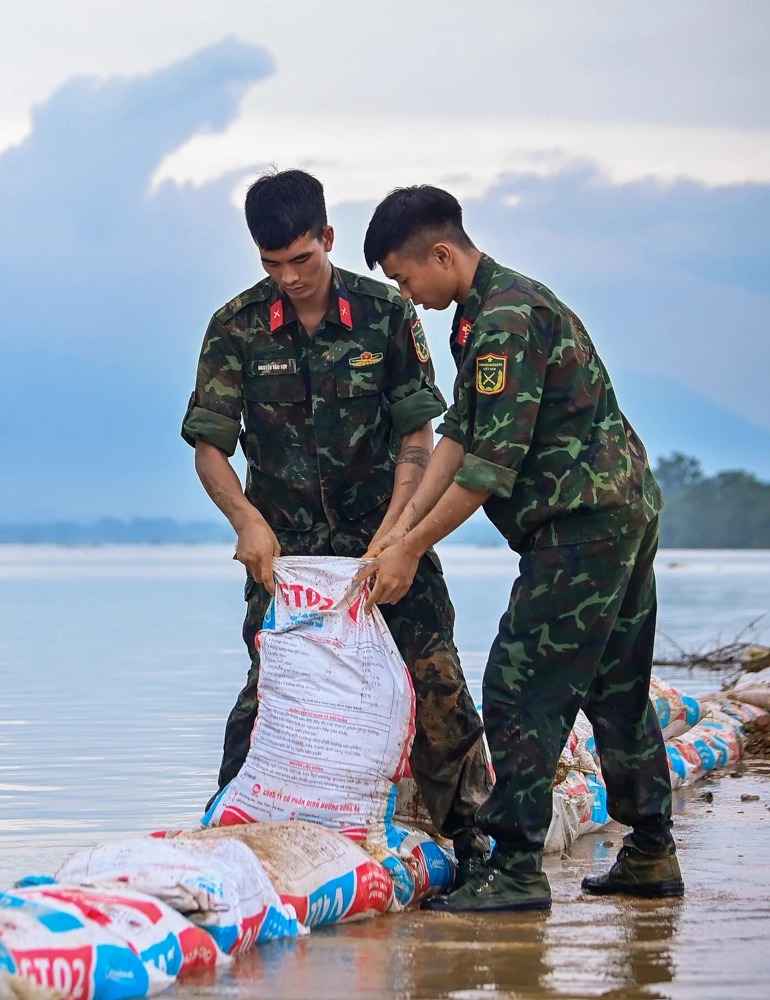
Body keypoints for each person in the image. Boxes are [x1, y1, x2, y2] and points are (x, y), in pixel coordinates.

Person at [357, 185, 680, 912]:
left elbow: (484, 472)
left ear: (441, 253)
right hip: (618, 513)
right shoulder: (482, 315)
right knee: (616, 688)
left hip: (583, 526)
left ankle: (514, 869)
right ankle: (652, 850)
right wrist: (399, 527)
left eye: (406, 279)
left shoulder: (505, 322)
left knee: (518, 688)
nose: (406, 295)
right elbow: (458, 437)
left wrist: (410, 551)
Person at [181, 169, 492, 885]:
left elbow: (419, 435)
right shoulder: (235, 326)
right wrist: (246, 521)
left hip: (383, 537)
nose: (289, 277)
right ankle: (235, 847)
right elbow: (210, 449)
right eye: (272, 264)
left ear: (327, 238)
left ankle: (475, 847)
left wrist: (396, 537)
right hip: (286, 559)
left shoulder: (387, 313)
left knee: (435, 681)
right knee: (269, 693)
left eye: (302, 259)